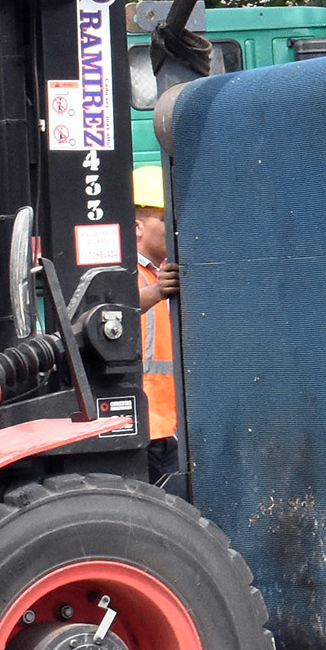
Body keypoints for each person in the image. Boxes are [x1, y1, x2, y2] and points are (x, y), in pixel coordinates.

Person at [132, 164, 181, 489]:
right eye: (163, 220)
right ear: (137, 226)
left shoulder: (163, 274)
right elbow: (112, 312)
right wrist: (156, 293)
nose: (172, 228)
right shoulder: (124, 273)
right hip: (143, 424)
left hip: (170, 424)